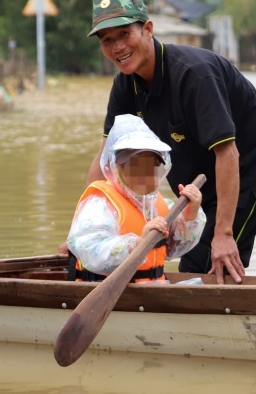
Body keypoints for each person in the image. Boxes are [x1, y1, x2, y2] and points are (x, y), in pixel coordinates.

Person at [85, 0, 256, 285]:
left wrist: (224, 233)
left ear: (148, 29)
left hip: (250, 173)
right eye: (107, 40)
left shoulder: (194, 74)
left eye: (124, 34)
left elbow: (228, 153)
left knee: (206, 262)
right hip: (200, 184)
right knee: (200, 261)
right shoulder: (125, 85)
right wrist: (82, 230)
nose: (117, 47)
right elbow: (105, 156)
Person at [66, 114, 205, 284]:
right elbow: (91, 251)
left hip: (153, 288)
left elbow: (173, 249)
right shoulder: (100, 205)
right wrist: (137, 244)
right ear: (117, 167)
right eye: (135, 165)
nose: (144, 173)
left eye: (151, 165)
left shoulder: (157, 204)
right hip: (111, 290)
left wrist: (190, 216)